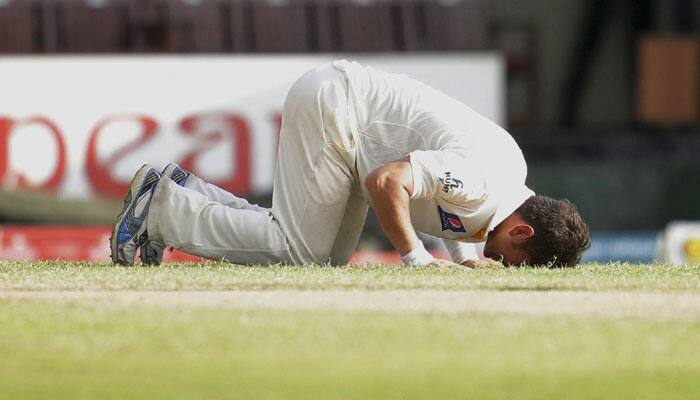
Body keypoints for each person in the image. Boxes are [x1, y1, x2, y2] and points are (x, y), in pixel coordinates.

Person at [110, 60, 590, 269]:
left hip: (351, 118)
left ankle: (175, 188)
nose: (499, 263)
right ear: (523, 232)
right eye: (510, 260)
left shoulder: (506, 185)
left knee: (323, 259)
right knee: (299, 253)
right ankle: (160, 211)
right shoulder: (485, 185)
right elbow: (389, 182)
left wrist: (460, 259)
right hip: (339, 107)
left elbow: (445, 204)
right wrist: (417, 259)